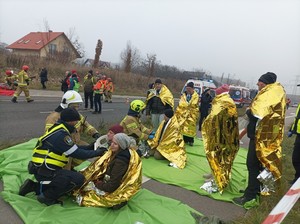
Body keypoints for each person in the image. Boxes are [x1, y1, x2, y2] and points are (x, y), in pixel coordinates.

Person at [18, 108, 104, 206]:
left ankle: (33, 186)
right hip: (46, 171)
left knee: (70, 176)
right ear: (71, 121)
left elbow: (73, 148)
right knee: (78, 179)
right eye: (76, 121)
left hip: (42, 168)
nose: (77, 123)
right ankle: (47, 197)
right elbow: (76, 153)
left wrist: (90, 147)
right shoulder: (61, 135)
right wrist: (97, 153)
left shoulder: (58, 129)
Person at [233, 72, 286, 207]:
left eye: (260, 82)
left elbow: (260, 114)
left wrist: (250, 112)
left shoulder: (270, 96)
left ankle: (250, 195)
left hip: (260, 140)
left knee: (253, 165)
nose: (258, 84)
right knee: (258, 165)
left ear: (266, 83)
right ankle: (256, 190)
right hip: (259, 138)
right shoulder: (269, 94)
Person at [74, 133, 142, 209]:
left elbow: (112, 185)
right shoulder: (116, 153)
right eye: (112, 142)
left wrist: (98, 184)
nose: (111, 145)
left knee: (84, 193)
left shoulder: (120, 162)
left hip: (113, 187)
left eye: (115, 144)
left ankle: (118, 202)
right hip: (108, 180)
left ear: (121, 146)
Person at [45, 90, 100, 169]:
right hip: (63, 147)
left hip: (76, 143)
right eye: (74, 106)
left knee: (89, 150)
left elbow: (85, 125)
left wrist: (95, 133)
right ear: (66, 104)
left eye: (78, 106)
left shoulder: (74, 114)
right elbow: (50, 137)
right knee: (66, 165)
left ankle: (72, 167)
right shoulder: (53, 118)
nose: (77, 109)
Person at [201, 84, 239, 193]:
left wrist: (206, 124)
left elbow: (215, 116)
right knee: (215, 154)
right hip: (219, 133)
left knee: (219, 155)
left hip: (224, 135)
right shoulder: (223, 100)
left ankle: (217, 177)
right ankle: (213, 172)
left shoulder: (225, 101)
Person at [175, 82, 199, 146]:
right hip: (183, 114)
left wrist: (188, 107)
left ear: (193, 89)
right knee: (183, 127)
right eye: (187, 88)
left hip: (191, 115)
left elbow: (194, 104)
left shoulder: (196, 96)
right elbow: (181, 103)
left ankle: (191, 140)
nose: (188, 90)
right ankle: (185, 140)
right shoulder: (184, 95)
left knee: (190, 127)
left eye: (189, 89)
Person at [287, 103, 300, 185]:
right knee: (295, 159)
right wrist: (292, 130)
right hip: (299, 134)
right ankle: (297, 178)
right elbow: (297, 119)